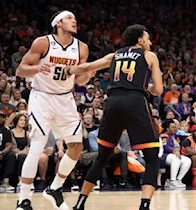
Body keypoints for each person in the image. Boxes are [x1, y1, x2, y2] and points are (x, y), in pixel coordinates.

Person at [67, 24, 164, 210]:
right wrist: (147, 88)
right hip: (135, 101)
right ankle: (144, 205)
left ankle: (80, 203)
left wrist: (67, 70)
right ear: (140, 40)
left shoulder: (115, 55)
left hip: (112, 102)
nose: (150, 42)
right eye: (148, 38)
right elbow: (158, 90)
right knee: (152, 157)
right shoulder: (149, 55)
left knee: (102, 156)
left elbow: (86, 67)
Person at [15, 11, 94, 210]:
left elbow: (80, 81)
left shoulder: (81, 48)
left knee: (76, 147)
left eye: (76, 19)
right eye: (70, 18)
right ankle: (24, 200)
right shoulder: (43, 43)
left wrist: (88, 75)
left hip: (65, 98)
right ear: (58, 23)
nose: (74, 21)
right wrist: (36, 69)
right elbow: (20, 69)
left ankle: (55, 187)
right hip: (41, 96)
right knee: (37, 147)